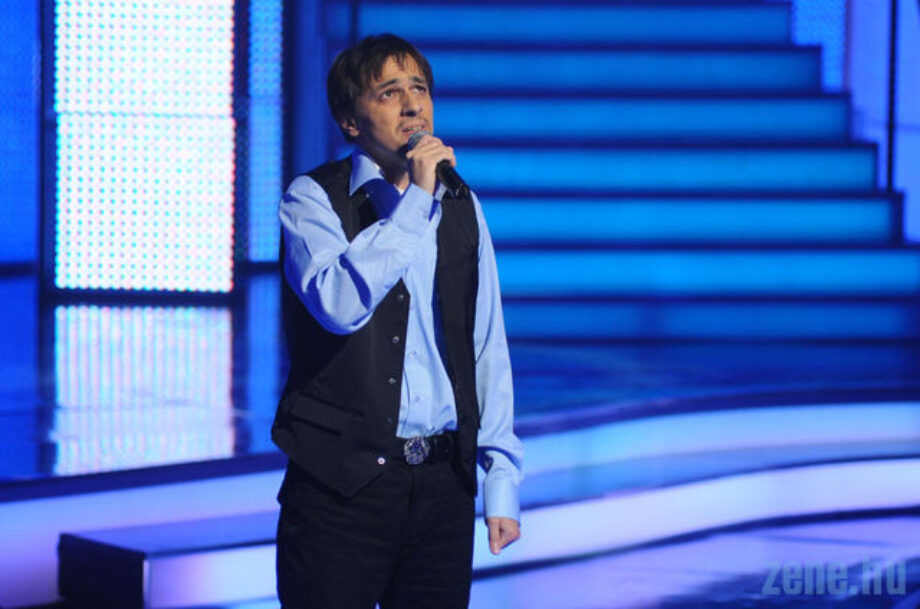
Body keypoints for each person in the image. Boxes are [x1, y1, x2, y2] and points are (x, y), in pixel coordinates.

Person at [272, 33, 524, 609]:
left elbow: (486, 345)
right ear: (350, 120)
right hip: (341, 489)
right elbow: (339, 305)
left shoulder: (462, 205)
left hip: (441, 489)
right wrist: (416, 201)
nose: (413, 106)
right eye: (389, 93)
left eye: (420, 89)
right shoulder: (311, 199)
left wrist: (501, 480)